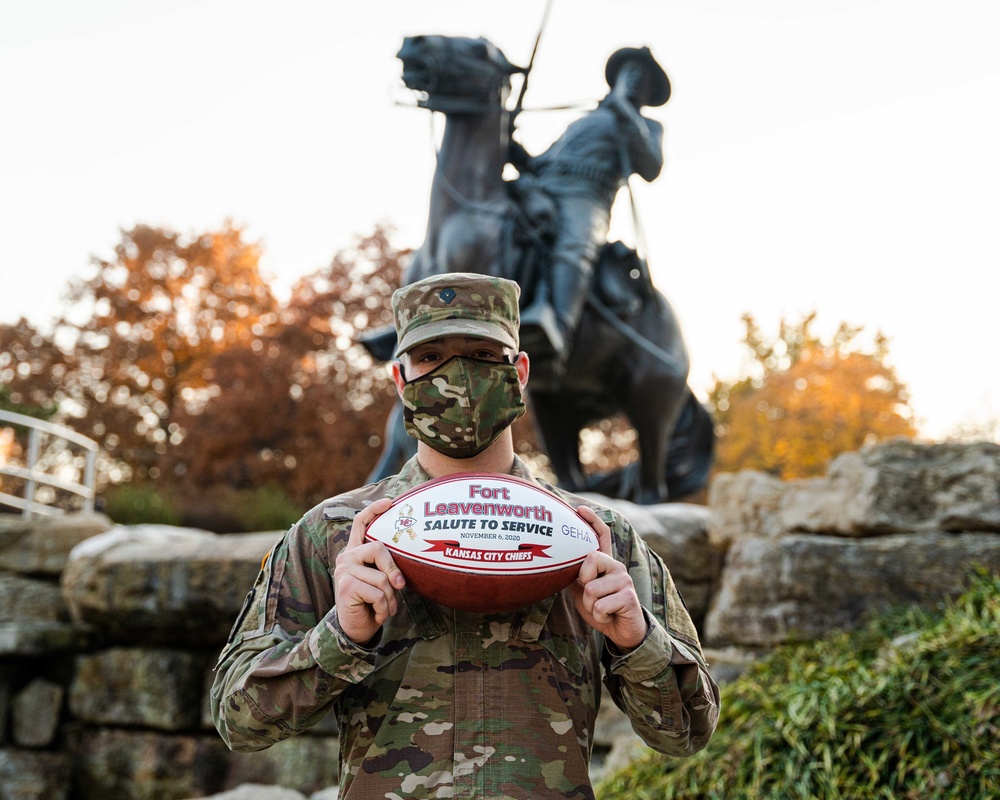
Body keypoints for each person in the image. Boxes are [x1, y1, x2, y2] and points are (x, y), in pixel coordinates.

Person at [211, 272, 719, 799]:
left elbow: (688, 732)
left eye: (481, 354)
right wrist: (340, 637)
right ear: (400, 379)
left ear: (519, 371)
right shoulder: (334, 535)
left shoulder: (595, 537)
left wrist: (635, 640)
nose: (458, 374)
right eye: (430, 357)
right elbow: (239, 720)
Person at [511, 46, 669, 367]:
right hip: (544, 188)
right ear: (617, 79)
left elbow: (651, 167)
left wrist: (625, 113)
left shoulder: (648, 126)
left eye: (645, 80)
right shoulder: (584, 121)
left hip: (587, 198)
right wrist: (509, 146)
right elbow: (539, 163)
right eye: (631, 74)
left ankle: (558, 328)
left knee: (574, 245)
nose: (637, 81)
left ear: (650, 93)